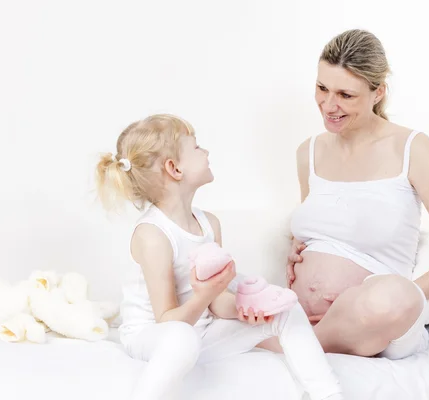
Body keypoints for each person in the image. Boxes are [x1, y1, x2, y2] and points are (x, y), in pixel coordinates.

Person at [95, 114, 344, 400]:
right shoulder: (153, 235)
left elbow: (217, 304)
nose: (207, 152)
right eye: (197, 147)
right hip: (155, 336)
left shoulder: (209, 223)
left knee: (286, 309)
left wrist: (245, 307)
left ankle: (328, 395)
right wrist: (206, 294)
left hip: (201, 332)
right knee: (181, 338)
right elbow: (167, 321)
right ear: (174, 168)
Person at [285, 29, 429, 359]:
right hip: (305, 313)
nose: (329, 105)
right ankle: (313, 338)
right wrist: (297, 245)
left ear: (378, 92)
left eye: (346, 95)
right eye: (322, 88)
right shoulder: (309, 151)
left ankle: (296, 344)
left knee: (388, 298)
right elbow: (324, 224)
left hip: (378, 321)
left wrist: (406, 300)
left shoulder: (411, 148)